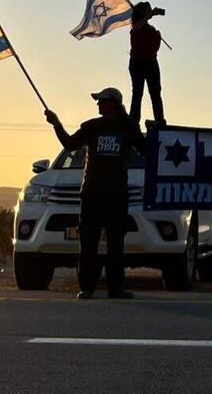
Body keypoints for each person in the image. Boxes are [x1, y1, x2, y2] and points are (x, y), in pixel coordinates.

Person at [44, 87, 148, 299]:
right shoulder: (91, 127)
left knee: (115, 243)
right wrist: (57, 125)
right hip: (91, 194)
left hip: (117, 194)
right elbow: (70, 145)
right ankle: (87, 287)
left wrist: (154, 133)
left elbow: (146, 150)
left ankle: (115, 288)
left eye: (102, 100)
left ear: (113, 104)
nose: (98, 104)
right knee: (88, 243)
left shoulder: (128, 127)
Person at [129, 1, 166, 128]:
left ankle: (160, 120)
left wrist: (158, 39)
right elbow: (136, 28)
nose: (150, 11)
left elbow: (154, 49)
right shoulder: (137, 26)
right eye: (148, 9)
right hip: (138, 62)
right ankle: (133, 121)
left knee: (155, 93)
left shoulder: (151, 30)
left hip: (151, 63)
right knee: (137, 92)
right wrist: (151, 15)